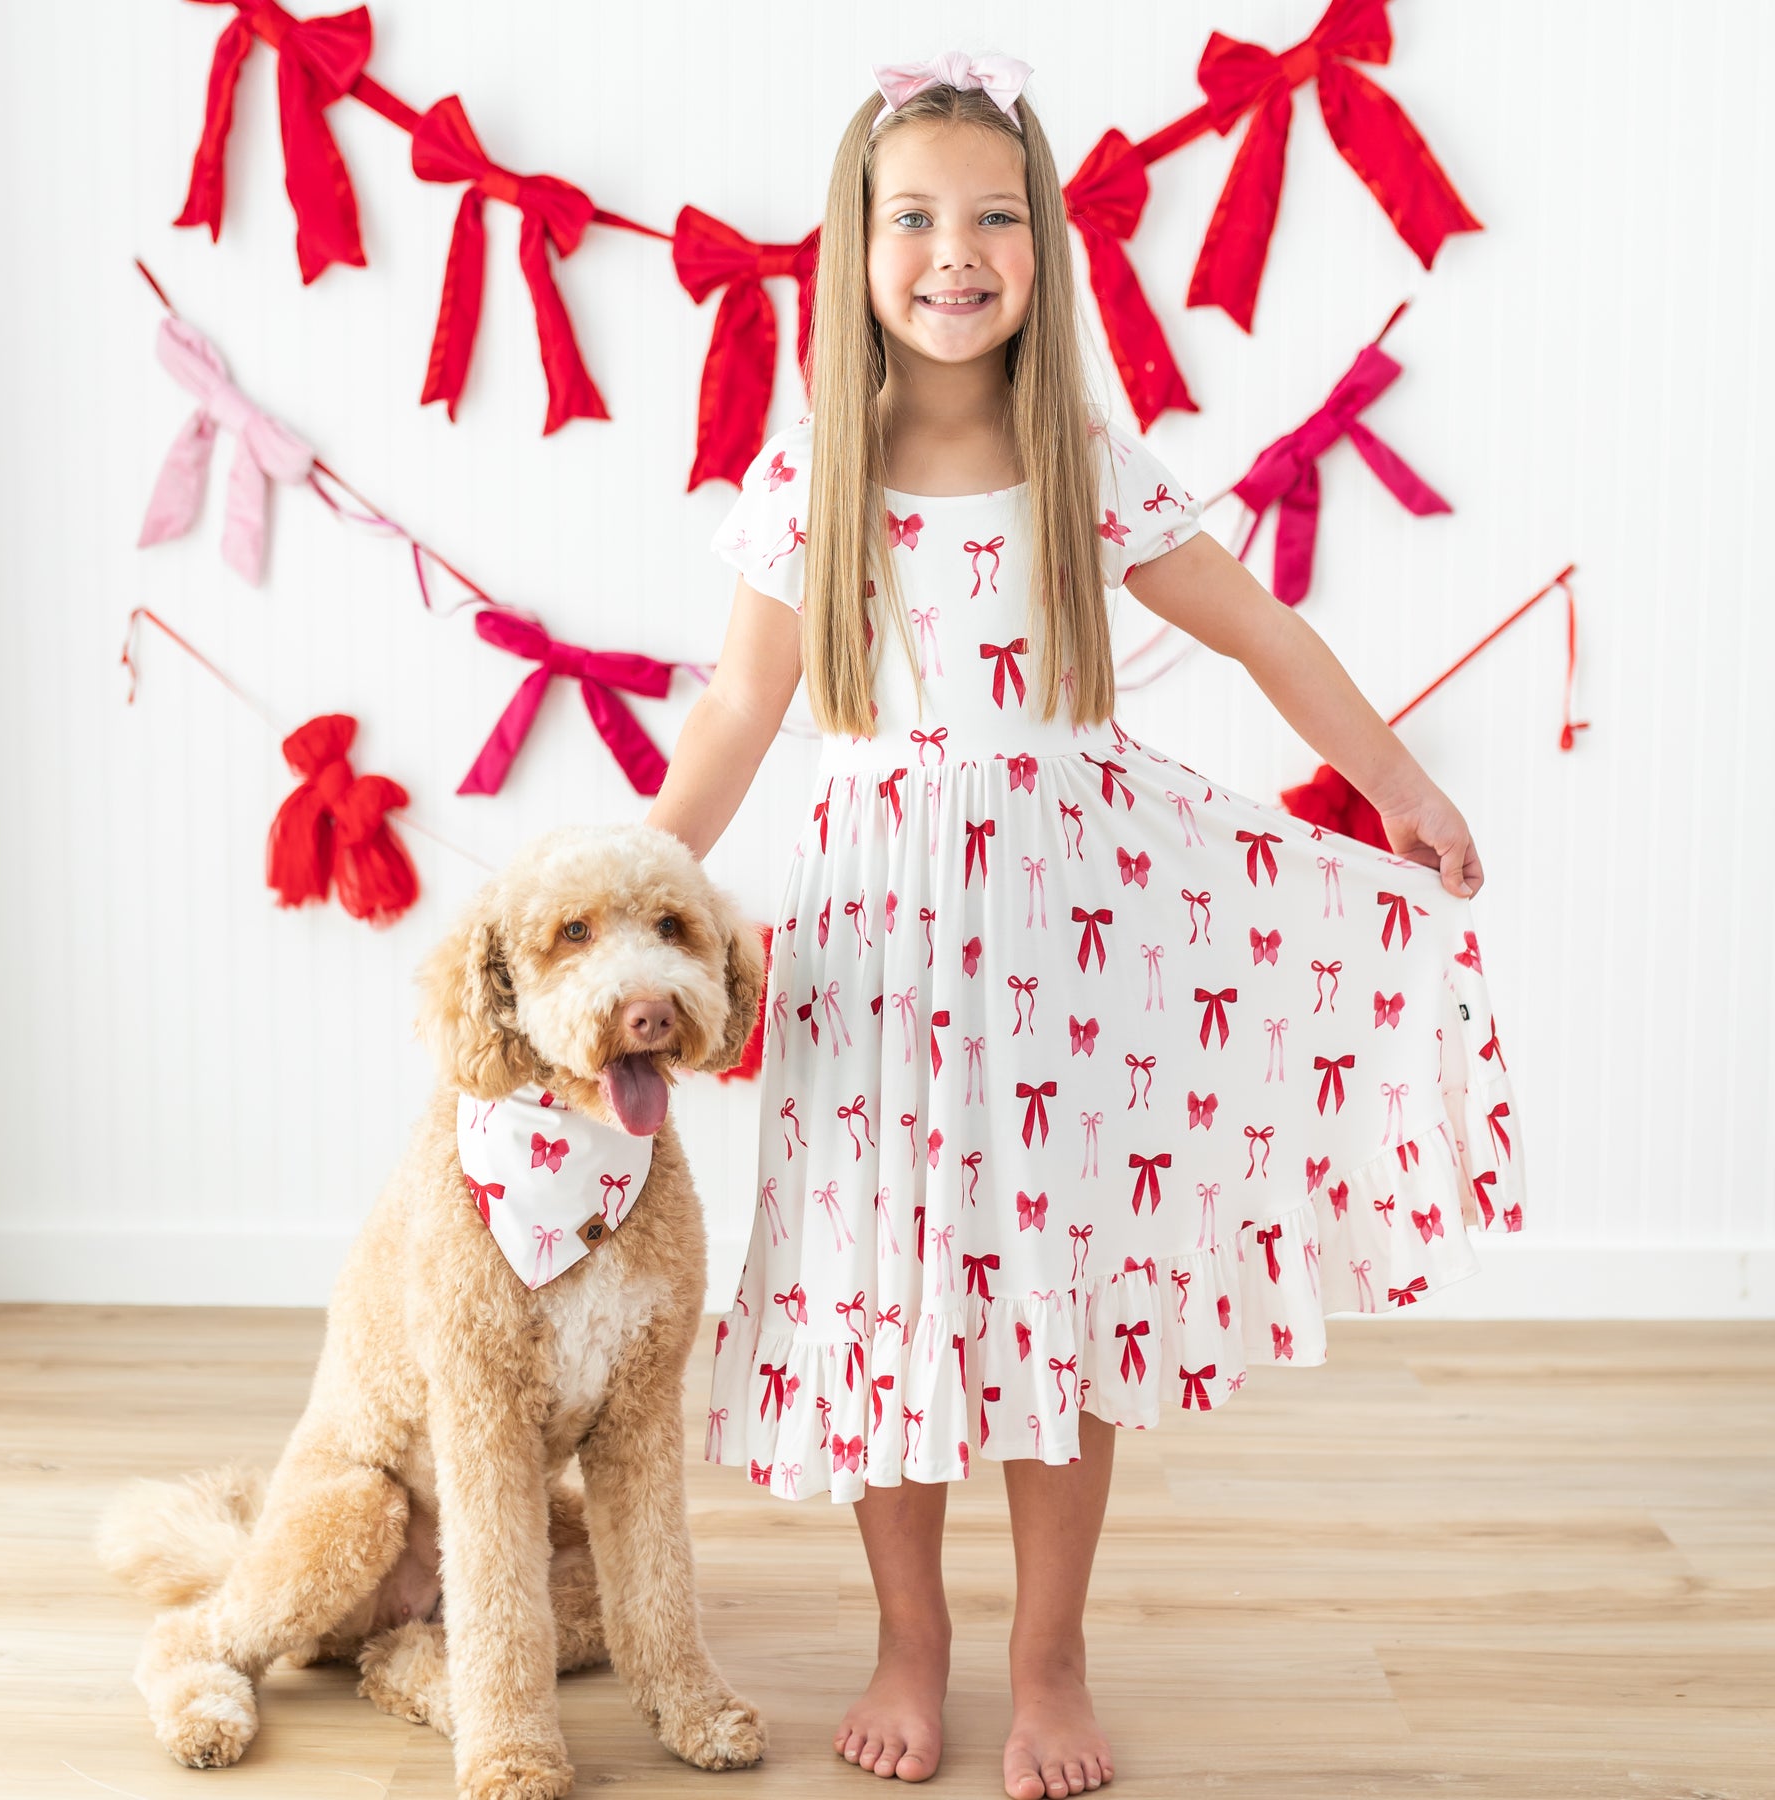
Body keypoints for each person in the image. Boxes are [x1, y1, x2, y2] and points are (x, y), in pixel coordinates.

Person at [645, 50, 1526, 1800]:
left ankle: (1050, 1655)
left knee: (1059, 1287)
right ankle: (917, 1639)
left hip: (1071, 935)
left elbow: (1269, 635)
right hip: (875, 947)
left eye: (993, 217)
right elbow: (741, 717)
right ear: (855, 245)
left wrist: (1400, 785)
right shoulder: (808, 472)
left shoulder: (1088, 465)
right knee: (884, 1283)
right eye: (913, 218)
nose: (953, 251)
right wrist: (612, 906)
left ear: (1044, 244)